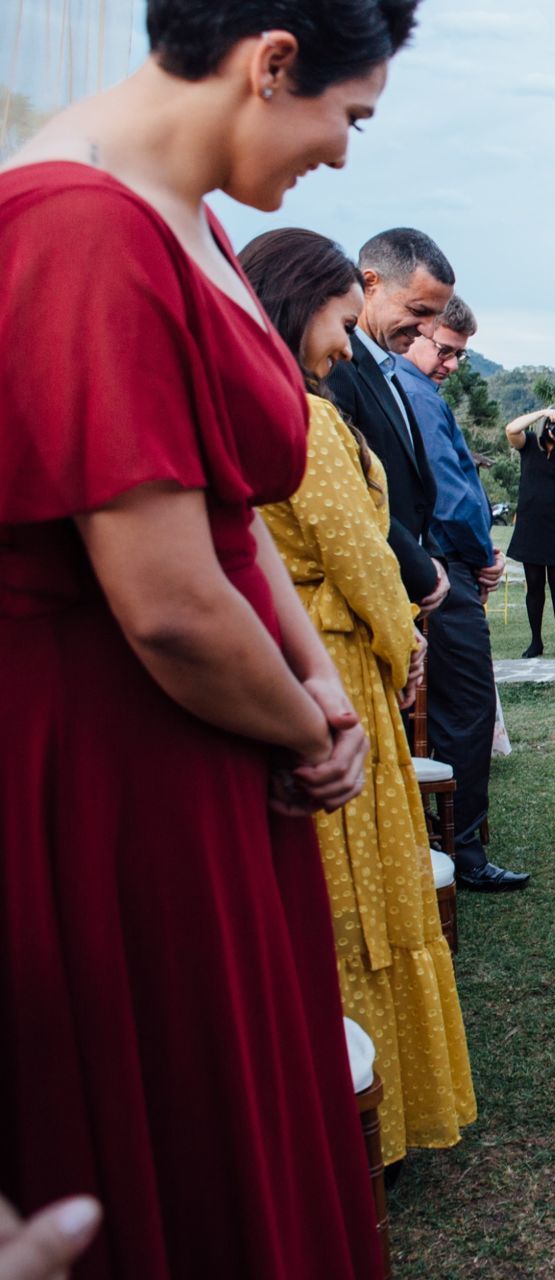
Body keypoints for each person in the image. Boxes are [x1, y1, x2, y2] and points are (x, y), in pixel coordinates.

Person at [1, 4, 420, 1275]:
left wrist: (318, 693)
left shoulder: (193, 218)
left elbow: (230, 518)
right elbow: (171, 602)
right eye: (350, 117)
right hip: (122, 751)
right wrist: (311, 725)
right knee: (176, 1125)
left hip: (228, 733)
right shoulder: (76, 225)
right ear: (272, 61)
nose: (341, 153)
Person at [244, 227, 478, 1165]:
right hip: (335, 660)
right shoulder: (302, 419)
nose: (347, 348)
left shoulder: (261, 408)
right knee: (362, 889)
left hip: (321, 647)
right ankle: (369, 1110)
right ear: (297, 308)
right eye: (341, 325)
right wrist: (405, 638)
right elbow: (359, 556)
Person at [399, 297, 530, 892]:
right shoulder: (417, 395)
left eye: (460, 355)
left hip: (442, 562)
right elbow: (449, 493)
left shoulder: (414, 388)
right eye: (445, 350)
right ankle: (464, 847)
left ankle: (448, 837)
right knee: (467, 706)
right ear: (418, 329)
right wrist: (482, 557)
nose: (451, 364)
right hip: (447, 569)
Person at [322, 227, 456, 614]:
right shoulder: (338, 368)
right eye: (418, 311)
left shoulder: (388, 370)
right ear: (371, 284)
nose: (427, 330)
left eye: (434, 316)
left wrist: (432, 558)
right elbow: (355, 492)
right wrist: (421, 570)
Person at [506, 405, 555, 658]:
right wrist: (543, 413)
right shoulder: (528, 443)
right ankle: (535, 641)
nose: (554, 429)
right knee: (534, 584)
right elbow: (510, 429)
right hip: (531, 523)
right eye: (551, 425)